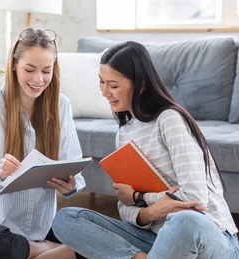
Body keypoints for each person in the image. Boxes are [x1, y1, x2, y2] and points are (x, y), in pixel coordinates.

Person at [52, 41, 239, 259]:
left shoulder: (169, 119)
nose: (104, 92)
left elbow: (195, 199)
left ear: (140, 85)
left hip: (209, 237)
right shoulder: (124, 133)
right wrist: (151, 212)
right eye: (101, 82)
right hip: (154, 241)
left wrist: (140, 197)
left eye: (113, 85)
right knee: (67, 219)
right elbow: (124, 208)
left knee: (184, 220)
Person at [0, 27, 86, 259]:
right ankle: (44, 251)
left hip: (40, 225)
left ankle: (31, 251)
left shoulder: (61, 106)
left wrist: (70, 185)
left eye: (46, 71)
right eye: (29, 70)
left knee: (92, 236)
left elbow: (76, 167)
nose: (38, 80)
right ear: (14, 65)